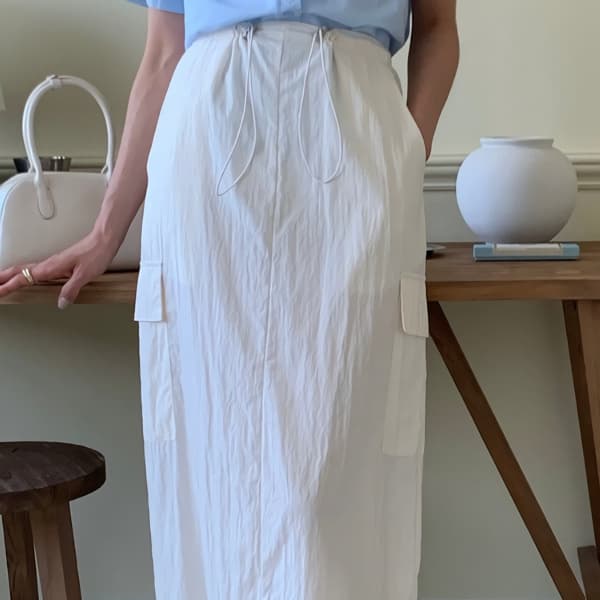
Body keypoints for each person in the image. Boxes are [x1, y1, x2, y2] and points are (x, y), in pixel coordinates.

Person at [0, 1, 459, 598]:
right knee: (213, 456)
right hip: (207, 147)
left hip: (357, 144)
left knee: (340, 457)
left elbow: (437, 27)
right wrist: (104, 231)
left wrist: (405, 155)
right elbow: (163, 53)